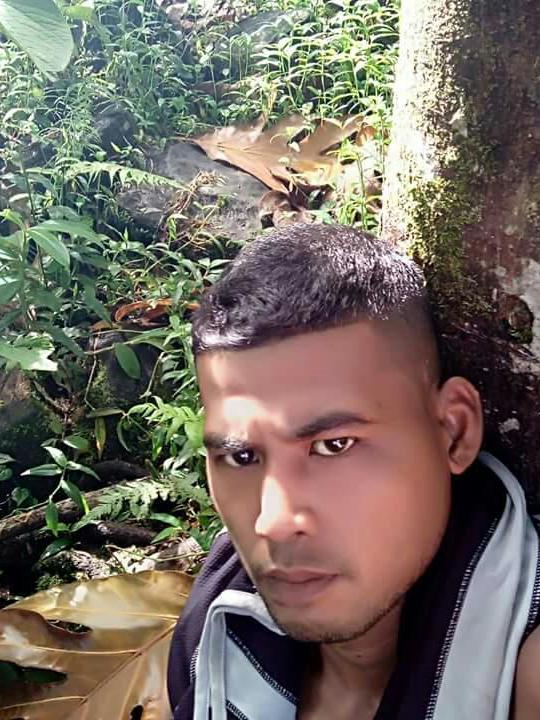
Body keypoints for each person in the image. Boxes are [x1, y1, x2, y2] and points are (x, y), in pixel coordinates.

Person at [167, 223, 540, 720]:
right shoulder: (213, 636)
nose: (273, 522)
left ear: (453, 432)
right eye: (242, 457)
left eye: (333, 446)